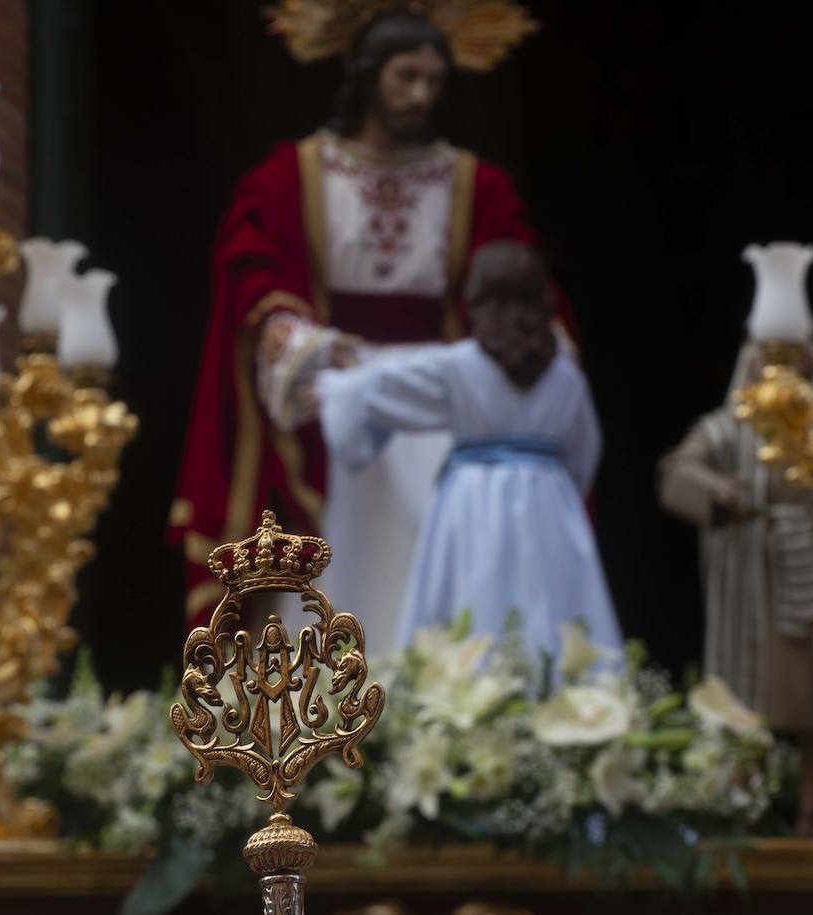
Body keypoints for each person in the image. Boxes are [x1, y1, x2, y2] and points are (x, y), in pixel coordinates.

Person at [171, 10, 571, 649]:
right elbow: (251, 270)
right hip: (334, 396)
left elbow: (522, 285)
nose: (421, 95)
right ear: (366, 75)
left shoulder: (475, 184)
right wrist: (296, 342)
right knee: (329, 576)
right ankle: (324, 714)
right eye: (405, 76)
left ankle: (449, 714)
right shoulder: (295, 174)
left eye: (434, 81)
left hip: (440, 404)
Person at [316, 241, 619, 662]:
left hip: (473, 502)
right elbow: (585, 453)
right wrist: (553, 491)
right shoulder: (567, 376)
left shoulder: (458, 366)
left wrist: (332, 387)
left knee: (473, 594)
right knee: (552, 600)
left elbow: (378, 390)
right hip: (550, 503)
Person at [657, 337, 813, 835]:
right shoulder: (727, 429)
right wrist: (713, 488)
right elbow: (676, 471)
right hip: (750, 581)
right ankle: (742, 809)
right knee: (745, 699)